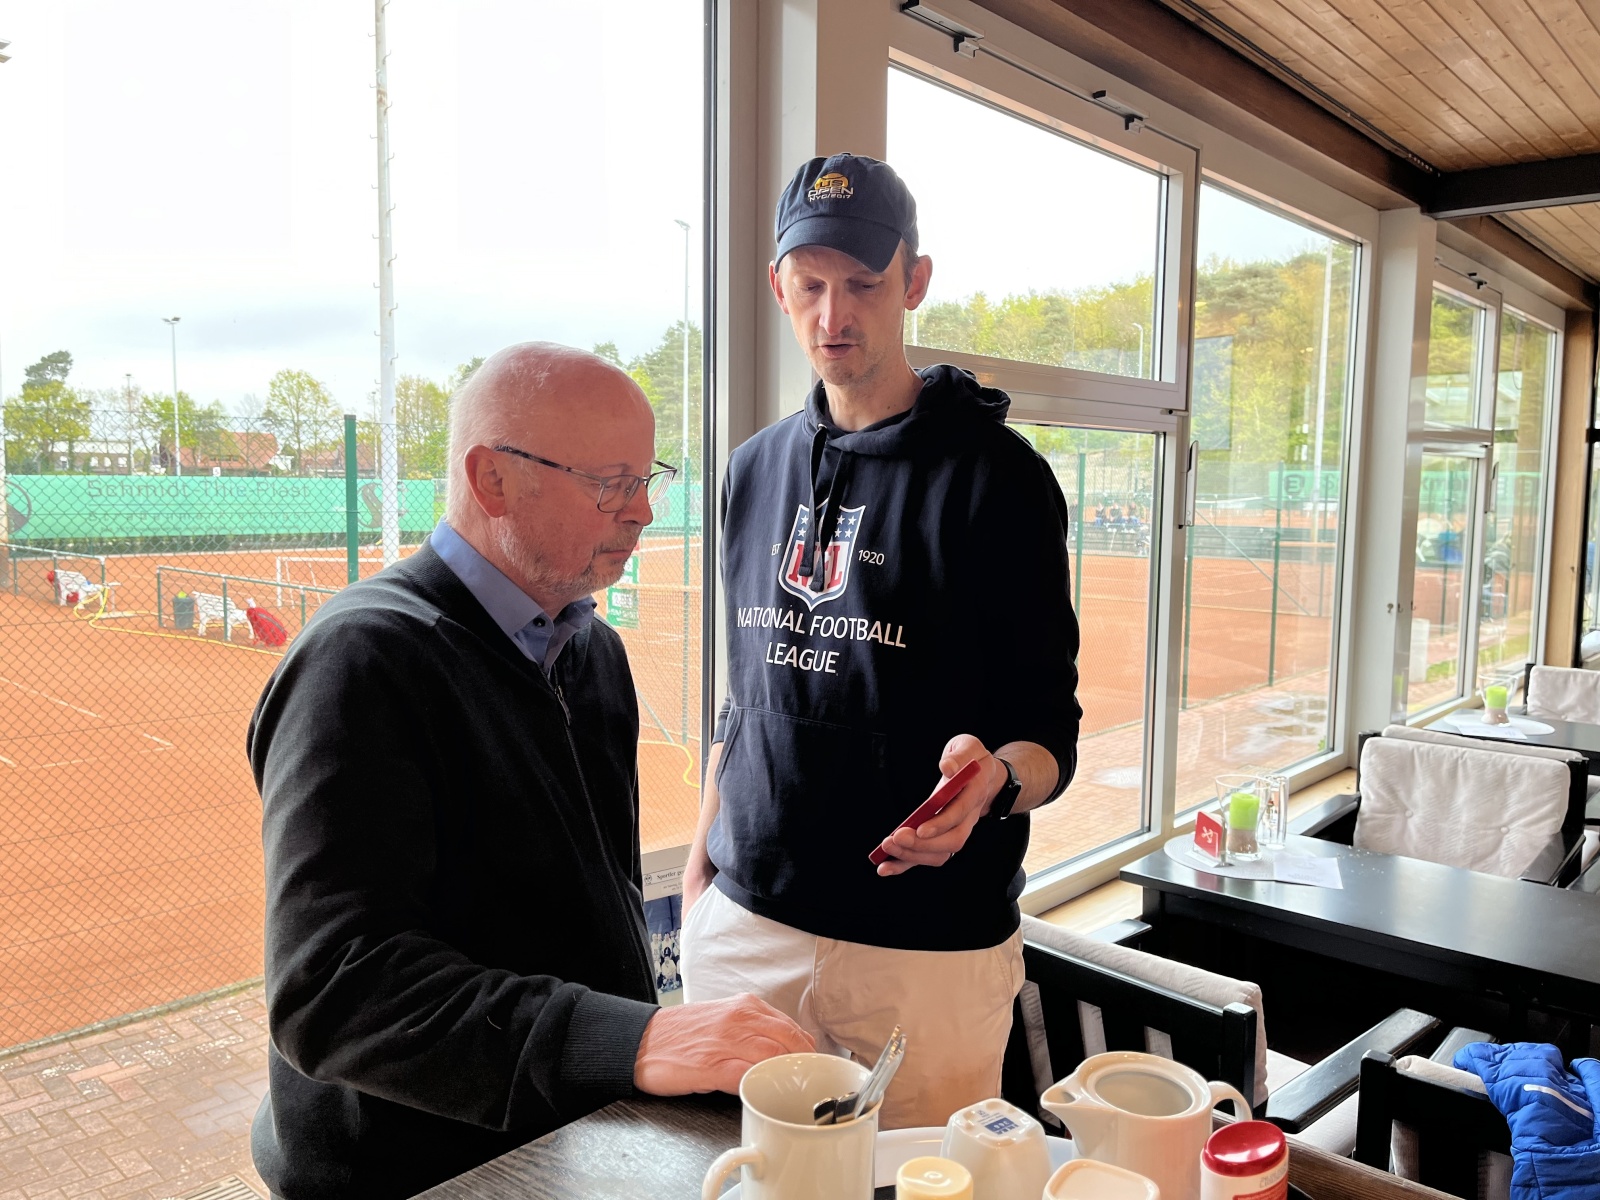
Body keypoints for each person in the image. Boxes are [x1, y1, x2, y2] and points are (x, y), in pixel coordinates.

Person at [249, 343, 812, 1200]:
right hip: (412, 1176)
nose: (643, 513)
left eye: (647, 480)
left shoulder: (593, 653)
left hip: (569, 1142)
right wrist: (635, 1040)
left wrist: (638, 1046)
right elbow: (333, 991)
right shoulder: (362, 661)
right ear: (493, 481)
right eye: (611, 484)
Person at [680, 154, 1081, 1129]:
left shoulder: (999, 480)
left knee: (925, 1188)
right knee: (739, 1183)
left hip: (926, 956)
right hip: (746, 928)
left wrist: (994, 781)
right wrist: (701, 869)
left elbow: (1050, 733)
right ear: (777, 287)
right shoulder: (751, 470)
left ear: (914, 281)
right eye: (810, 285)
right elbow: (745, 691)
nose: (835, 315)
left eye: (863, 284)